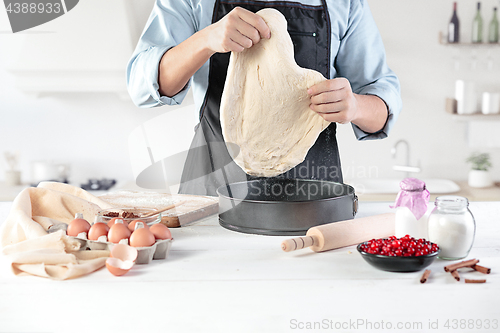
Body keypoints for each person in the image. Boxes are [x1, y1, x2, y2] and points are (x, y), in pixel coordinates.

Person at [127, 0, 402, 196]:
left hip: (311, 197)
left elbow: (380, 106)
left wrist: (354, 106)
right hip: (213, 193)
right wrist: (206, 39)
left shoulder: (345, 4)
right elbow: (141, 86)